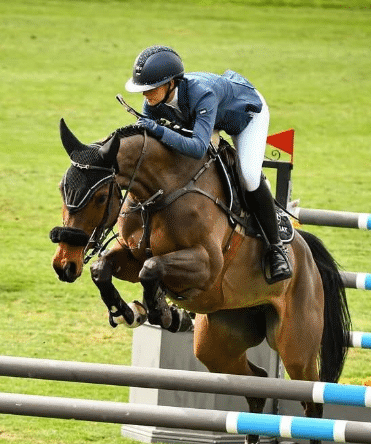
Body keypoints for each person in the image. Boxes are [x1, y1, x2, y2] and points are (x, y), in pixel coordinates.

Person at [124, 45, 291, 284]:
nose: (145, 95)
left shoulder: (203, 94)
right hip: (206, 118)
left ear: (171, 83)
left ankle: (276, 248)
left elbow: (198, 147)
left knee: (249, 176)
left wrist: (159, 130)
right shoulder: (153, 102)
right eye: (143, 89)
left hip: (246, 116)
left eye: (150, 88)